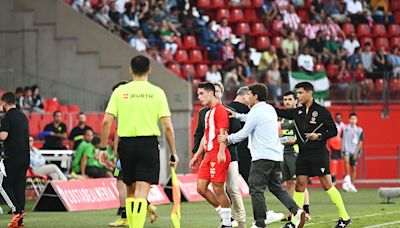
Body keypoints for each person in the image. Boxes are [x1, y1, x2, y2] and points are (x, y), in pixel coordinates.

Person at [99, 55, 179, 228]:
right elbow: (167, 127)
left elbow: (106, 121)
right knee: (142, 190)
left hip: (126, 145)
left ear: (130, 70)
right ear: (149, 70)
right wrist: (173, 152)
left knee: (129, 189)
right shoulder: (157, 92)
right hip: (148, 144)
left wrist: (103, 148)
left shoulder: (119, 92)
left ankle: (131, 222)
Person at [218, 83, 306, 228]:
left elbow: (244, 133)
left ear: (256, 96)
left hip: (262, 157)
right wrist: (238, 116)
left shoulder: (256, 111)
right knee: (276, 187)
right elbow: (252, 119)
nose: (248, 97)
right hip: (276, 156)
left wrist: (227, 139)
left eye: (250, 94)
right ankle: (297, 211)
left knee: (255, 188)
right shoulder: (269, 109)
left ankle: (260, 223)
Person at [274, 82, 351, 228]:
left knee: (327, 184)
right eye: (297, 93)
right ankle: (294, 222)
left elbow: (333, 131)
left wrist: (319, 136)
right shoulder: (297, 112)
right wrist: (263, 106)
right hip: (303, 155)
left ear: (310, 93)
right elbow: (281, 112)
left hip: (318, 154)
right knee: (299, 185)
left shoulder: (321, 111)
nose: (298, 96)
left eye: (300, 93)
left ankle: (345, 217)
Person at [190, 81, 245, 228]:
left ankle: (227, 223)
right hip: (208, 155)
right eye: (198, 94)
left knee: (219, 188)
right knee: (200, 188)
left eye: (201, 94)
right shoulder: (207, 113)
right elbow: (205, 136)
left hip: (218, 154)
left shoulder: (221, 110)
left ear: (210, 93)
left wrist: (221, 151)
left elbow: (223, 133)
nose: (199, 97)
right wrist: (197, 155)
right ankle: (226, 216)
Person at [280, 91, 311, 221]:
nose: (287, 102)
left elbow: (300, 136)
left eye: (289, 99)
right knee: (289, 183)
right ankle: (293, 210)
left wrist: (282, 140)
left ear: (295, 101)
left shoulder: (299, 115)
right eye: (285, 99)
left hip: (295, 152)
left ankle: (306, 211)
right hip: (284, 152)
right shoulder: (284, 116)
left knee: (300, 182)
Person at [0, 92, 30, 227]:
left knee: (6, 185)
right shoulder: (23, 117)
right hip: (25, 156)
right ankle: (20, 221)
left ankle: (16, 211)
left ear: (4, 103)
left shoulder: (7, 117)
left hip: (12, 156)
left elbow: (3, 136)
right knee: (19, 186)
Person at [227, 87, 250, 183]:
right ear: (245, 97)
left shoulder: (227, 108)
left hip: (230, 149)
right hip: (245, 148)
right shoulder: (246, 110)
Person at [342, 113, 363, 193]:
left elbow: (360, 142)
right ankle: (347, 176)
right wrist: (342, 150)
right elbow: (342, 139)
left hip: (355, 151)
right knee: (346, 160)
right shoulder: (345, 129)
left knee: (353, 168)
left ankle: (351, 184)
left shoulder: (359, 130)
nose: (353, 120)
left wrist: (356, 153)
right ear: (349, 120)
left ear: (357, 120)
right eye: (351, 119)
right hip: (347, 150)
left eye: (354, 119)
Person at [327, 113, 346, 185]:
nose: (338, 119)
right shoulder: (333, 126)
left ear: (341, 118)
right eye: (337, 117)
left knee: (344, 163)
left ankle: (345, 179)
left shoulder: (344, 126)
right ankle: (333, 179)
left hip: (343, 146)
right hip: (334, 146)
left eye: (340, 117)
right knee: (334, 163)